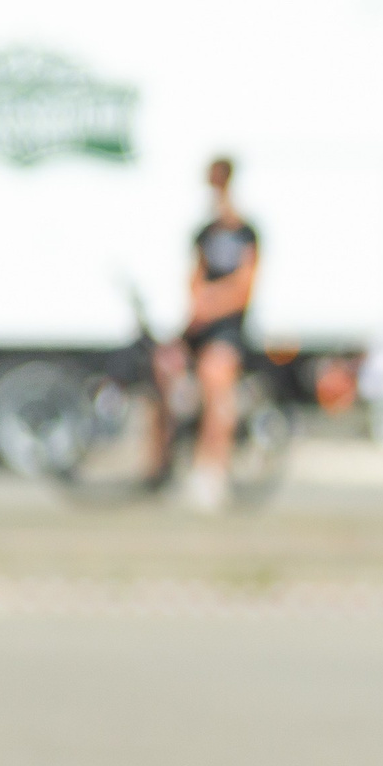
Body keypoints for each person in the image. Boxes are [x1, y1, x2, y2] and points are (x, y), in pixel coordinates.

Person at [150, 157, 259, 511]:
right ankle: (159, 464)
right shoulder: (204, 234)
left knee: (216, 377)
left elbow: (245, 286)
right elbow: (193, 278)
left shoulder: (246, 233)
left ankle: (212, 470)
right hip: (198, 324)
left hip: (227, 327)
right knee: (161, 369)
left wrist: (210, 302)